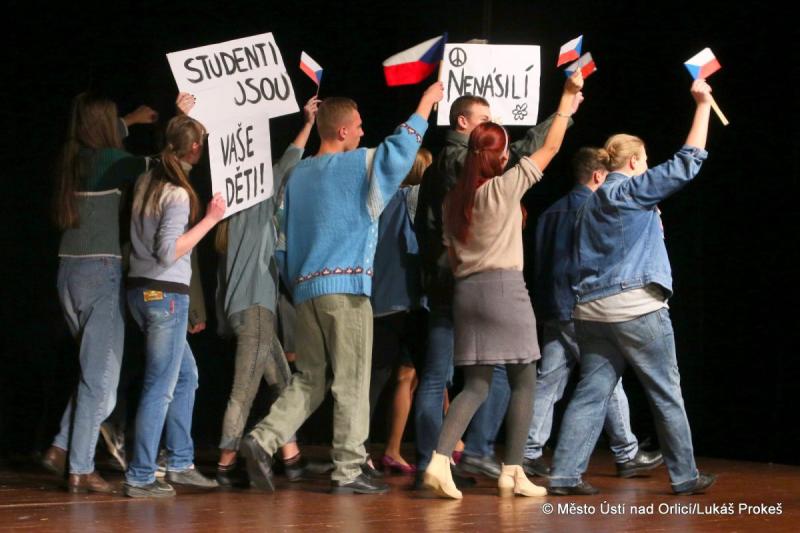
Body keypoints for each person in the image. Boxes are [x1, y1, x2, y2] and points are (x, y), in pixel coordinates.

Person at [239, 82, 444, 495]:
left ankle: (262, 440)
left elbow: (279, 242)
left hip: (306, 292)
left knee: (310, 378)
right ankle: (349, 468)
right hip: (346, 291)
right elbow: (400, 151)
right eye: (360, 126)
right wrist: (425, 104)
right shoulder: (357, 164)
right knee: (351, 379)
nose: (364, 132)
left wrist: (297, 283)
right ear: (343, 131)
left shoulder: (296, 177)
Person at [547, 79, 716, 496]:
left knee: (590, 394)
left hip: (591, 312)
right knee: (666, 392)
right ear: (636, 160)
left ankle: (564, 475)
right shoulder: (628, 191)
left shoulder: (586, 204)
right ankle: (684, 476)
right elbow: (687, 163)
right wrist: (703, 105)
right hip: (635, 308)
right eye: (645, 160)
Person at [423, 71, 584, 499]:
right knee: (525, 381)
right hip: (504, 290)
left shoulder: (454, 200)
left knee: (475, 384)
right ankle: (513, 470)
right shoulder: (504, 187)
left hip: (466, 292)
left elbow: (451, 255)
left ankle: (439, 460)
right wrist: (566, 100)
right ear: (500, 155)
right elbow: (550, 147)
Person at [522, 148, 663, 478]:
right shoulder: (594, 211)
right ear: (598, 175)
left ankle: (527, 451)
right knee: (606, 377)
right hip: (579, 305)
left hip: (552, 307)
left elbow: (539, 263)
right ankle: (627, 453)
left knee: (549, 382)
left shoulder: (549, 213)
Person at [213, 96, 332, 487]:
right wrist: (308, 123)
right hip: (255, 310)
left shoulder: (229, 220)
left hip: (243, 311)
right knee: (244, 389)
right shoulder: (256, 207)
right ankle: (226, 464)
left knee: (282, 381)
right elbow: (289, 164)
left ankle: (291, 457)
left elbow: (221, 284)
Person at [44, 93, 157, 493]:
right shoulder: (111, 161)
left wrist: (132, 119)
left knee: (95, 375)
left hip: (67, 273)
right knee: (102, 385)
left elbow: (103, 133)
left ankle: (61, 447)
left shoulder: (71, 159)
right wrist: (190, 127)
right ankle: (80, 466)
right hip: (99, 272)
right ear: (104, 128)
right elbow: (161, 164)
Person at [123, 110, 226, 498]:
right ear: (195, 148)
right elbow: (168, 252)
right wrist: (211, 219)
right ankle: (141, 475)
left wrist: (185, 117)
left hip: (141, 291)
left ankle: (180, 462)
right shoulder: (178, 194)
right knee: (160, 386)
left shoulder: (147, 179)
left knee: (186, 377)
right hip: (164, 295)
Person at [369, 148, 432, 474]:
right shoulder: (415, 197)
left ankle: (369, 450)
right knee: (426, 375)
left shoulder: (381, 200)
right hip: (408, 299)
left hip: (381, 299)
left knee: (381, 379)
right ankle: (435, 453)